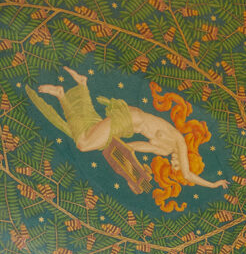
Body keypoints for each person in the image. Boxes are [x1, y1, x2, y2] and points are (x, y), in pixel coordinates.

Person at [26, 67, 228, 191]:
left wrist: (132, 172)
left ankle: (81, 85)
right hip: (129, 118)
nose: (175, 164)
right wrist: (213, 184)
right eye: (180, 164)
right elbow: (188, 175)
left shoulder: (164, 149)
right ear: (188, 159)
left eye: (174, 167)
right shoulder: (179, 142)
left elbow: (132, 147)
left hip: (126, 127)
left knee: (89, 133)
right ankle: (61, 94)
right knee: (83, 143)